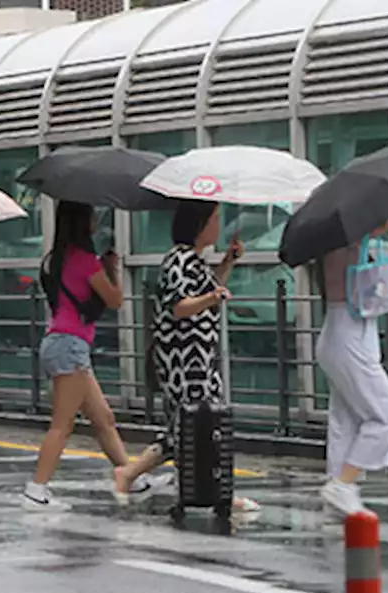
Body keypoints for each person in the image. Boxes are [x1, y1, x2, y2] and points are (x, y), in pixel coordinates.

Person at [115, 200, 258, 513]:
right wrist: (211, 297)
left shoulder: (192, 260)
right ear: (200, 223)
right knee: (201, 423)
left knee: (184, 426)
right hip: (186, 358)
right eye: (215, 218)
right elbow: (179, 306)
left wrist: (227, 263)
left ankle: (129, 473)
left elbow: (208, 288)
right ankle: (220, 493)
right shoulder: (181, 260)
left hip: (197, 356)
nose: (219, 225)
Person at [21, 201, 165, 511]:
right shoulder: (85, 261)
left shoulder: (55, 260)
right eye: (91, 214)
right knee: (62, 424)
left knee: (104, 419)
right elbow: (115, 300)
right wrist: (112, 270)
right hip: (70, 345)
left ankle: (131, 477)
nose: (96, 219)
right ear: (81, 221)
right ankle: (36, 488)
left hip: (62, 343)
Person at [316, 219, 388, 514]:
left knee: (345, 421)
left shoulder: (334, 247)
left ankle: (338, 492)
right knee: (386, 418)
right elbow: (373, 292)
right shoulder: (353, 246)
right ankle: (343, 484)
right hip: (350, 339)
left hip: (337, 335)